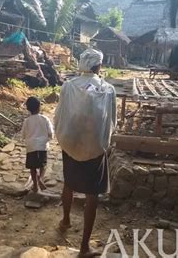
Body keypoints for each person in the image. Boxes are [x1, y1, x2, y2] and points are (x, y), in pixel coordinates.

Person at [55, 49, 117, 257]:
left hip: (71, 143)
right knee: (93, 194)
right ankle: (84, 246)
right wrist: (103, 141)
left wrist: (64, 138)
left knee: (68, 183)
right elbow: (112, 120)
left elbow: (60, 114)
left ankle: (65, 220)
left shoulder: (68, 86)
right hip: (94, 146)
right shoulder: (107, 90)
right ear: (98, 66)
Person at [21, 96, 54, 193]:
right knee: (42, 165)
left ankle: (35, 185)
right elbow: (50, 133)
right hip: (42, 146)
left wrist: (28, 139)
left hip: (31, 146)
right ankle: (40, 179)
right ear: (39, 107)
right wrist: (47, 140)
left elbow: (23, 135)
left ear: (28, 109)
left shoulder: (26, 121)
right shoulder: (45, 119)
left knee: (32, 167)